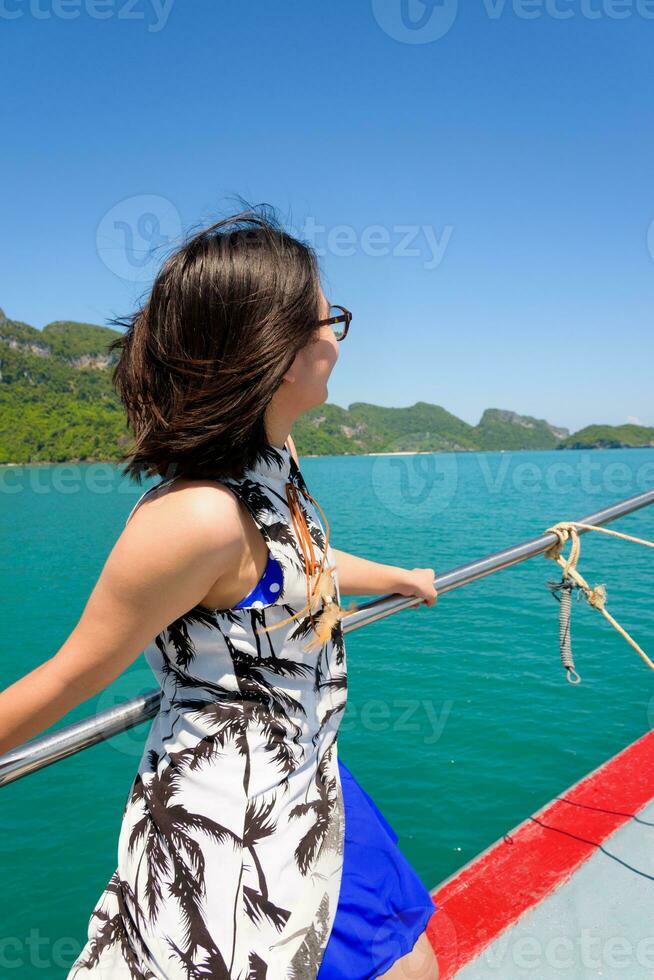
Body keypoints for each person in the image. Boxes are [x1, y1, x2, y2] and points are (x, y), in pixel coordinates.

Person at [0, 205, 439, 978]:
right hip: (237, 819)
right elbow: (73, 673)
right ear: (270, 349)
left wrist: (401, 578)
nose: (337, 337)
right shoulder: (196, 518)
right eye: (325, 319)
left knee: (414, 952)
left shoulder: (276, 457)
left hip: (310, 765)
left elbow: (303, 562)